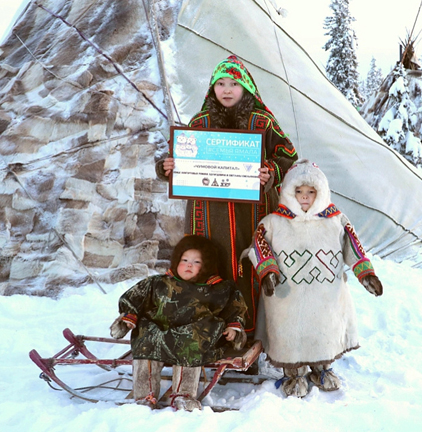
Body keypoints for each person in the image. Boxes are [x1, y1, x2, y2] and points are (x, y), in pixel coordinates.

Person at [156, 55, 298, 338]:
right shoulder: (200, 122)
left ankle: (252, 335)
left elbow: (288, 156)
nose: (227, 89)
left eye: (234, 83)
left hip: (252, 215)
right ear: (212, 88)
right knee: (209, 266)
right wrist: (166, 167)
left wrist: (270, 172)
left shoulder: (263, 122)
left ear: (246, 87)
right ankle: (206, 335)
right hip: (207, 215)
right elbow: (178, 157)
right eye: (220, 83)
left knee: (248, 269)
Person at [247, 159, 383, 398]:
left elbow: (353, 246)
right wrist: (267, 271)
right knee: (290, 333)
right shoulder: (274, 222)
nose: (304, 197)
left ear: (321, 192)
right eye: (298, 191)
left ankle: (322, 369)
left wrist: (366, 273)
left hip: (326, 295)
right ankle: (294, 373)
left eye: (311, 192)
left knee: (324, 329)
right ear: (288, 191)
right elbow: (258, 246)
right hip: (286, 296)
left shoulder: (335, 220)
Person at [109, 235, 248, 411]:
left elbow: (235, 307)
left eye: (196, 262)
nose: (189, 265)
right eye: (185, 260)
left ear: (206, 266)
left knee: (191, 339)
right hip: (160, 333)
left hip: (194, 336)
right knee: (145, 336)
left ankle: (184, 395)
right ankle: (145, 396)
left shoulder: (218, 288)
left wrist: (233, 327)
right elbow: (134, 298)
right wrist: (129, 317)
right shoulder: (158, 283)